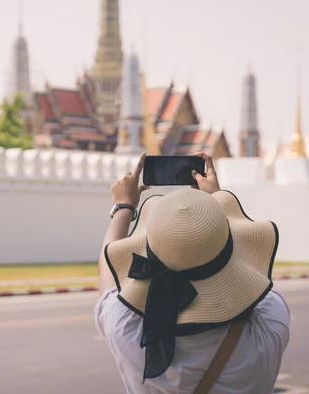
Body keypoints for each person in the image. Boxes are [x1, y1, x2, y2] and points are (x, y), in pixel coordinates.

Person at [96, 152, 290, 394]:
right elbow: (259, 282)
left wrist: (124, 206)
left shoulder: (125, 326)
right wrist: (214, 206)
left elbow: (107, 271)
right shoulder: (269, 323)